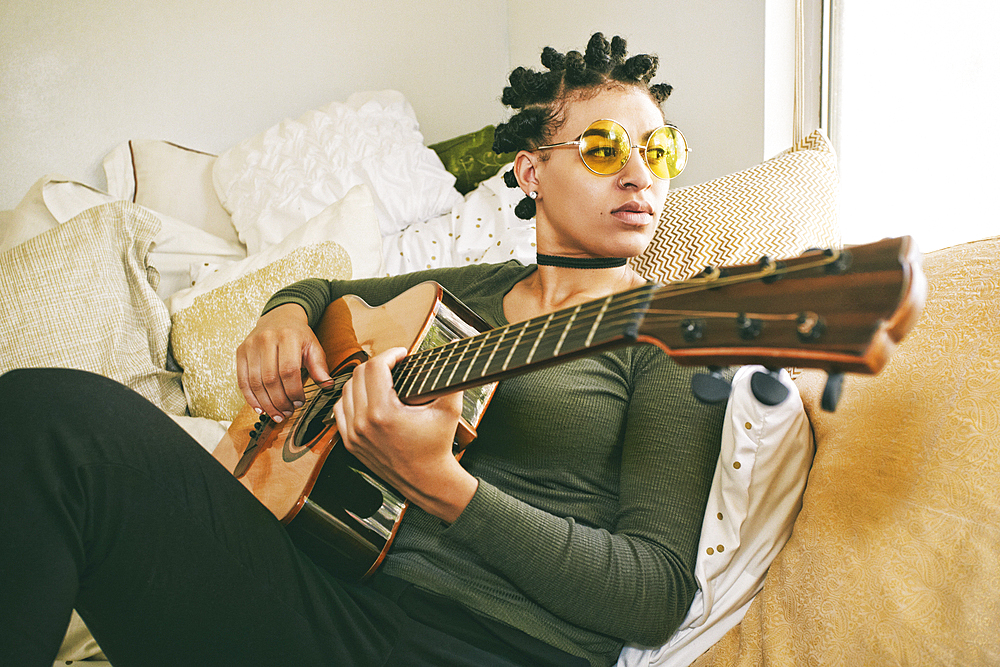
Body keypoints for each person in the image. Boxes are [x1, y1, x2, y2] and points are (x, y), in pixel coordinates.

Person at [0, 33, 725, 667]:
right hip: (328, 582)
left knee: (55, 432)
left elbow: (655, 593)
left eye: (661, 149)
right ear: (532, 172)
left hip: (477, 644)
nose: (641, 173)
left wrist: (441, 484)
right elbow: (326, 288)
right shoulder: (467, 289)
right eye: (604, 148)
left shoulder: (673, 330)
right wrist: (281, 315)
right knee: (42, 412)